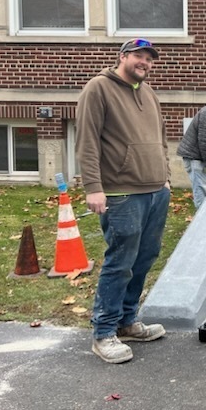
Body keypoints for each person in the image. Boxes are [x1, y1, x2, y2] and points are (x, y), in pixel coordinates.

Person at [76, 38, 171, 364]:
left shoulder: (148, 93)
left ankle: (127, 322)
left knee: (145, 257)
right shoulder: (98, 89)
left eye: (149, 58)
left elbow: (161, 138)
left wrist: (166, 176)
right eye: (139, 56)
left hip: (156, 191)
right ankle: (103, 333)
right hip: (121, 193)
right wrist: (93, 187)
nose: (145, 62)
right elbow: (87, 142)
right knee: (120, 260)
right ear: (123, 57)